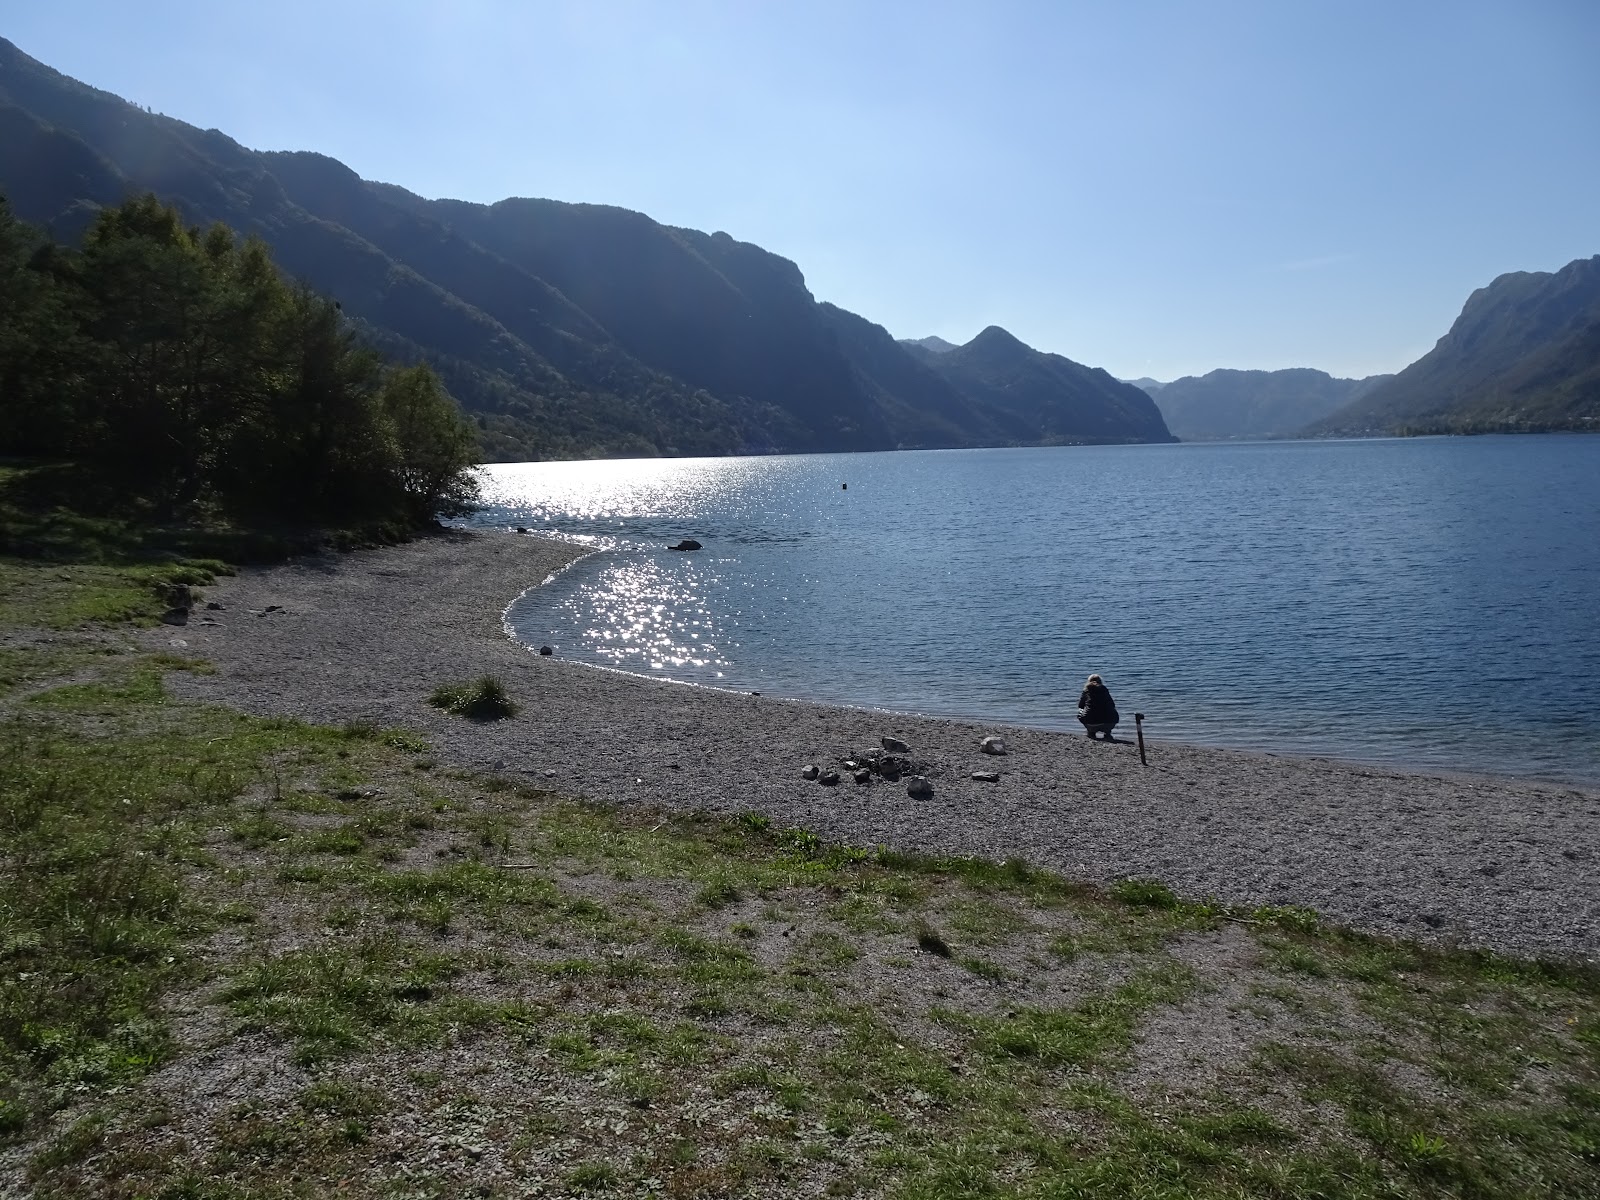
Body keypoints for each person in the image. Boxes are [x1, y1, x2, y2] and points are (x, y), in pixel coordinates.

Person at [1077, 673, 1119, 740]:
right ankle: (1107, 733)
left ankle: (1091, 732)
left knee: (1080, 711)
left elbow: (1080, 705)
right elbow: (1112, 704)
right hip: (1109, 722)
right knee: (1111, 710)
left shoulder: (1086, 690)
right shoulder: (1104, 689)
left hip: (1091, 722)